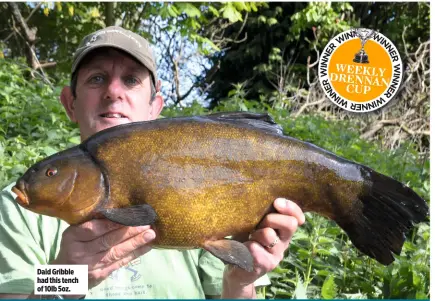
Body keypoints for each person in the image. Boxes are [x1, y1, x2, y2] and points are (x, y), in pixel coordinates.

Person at [0, 26, 305, 299]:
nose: (113, 92)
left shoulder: (200, 183)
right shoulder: (19, 208)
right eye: (96, 78)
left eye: (131, 80)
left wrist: (239, 283)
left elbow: (230, 293)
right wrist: (67, 277)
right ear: (70, 103)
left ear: (154, 107)